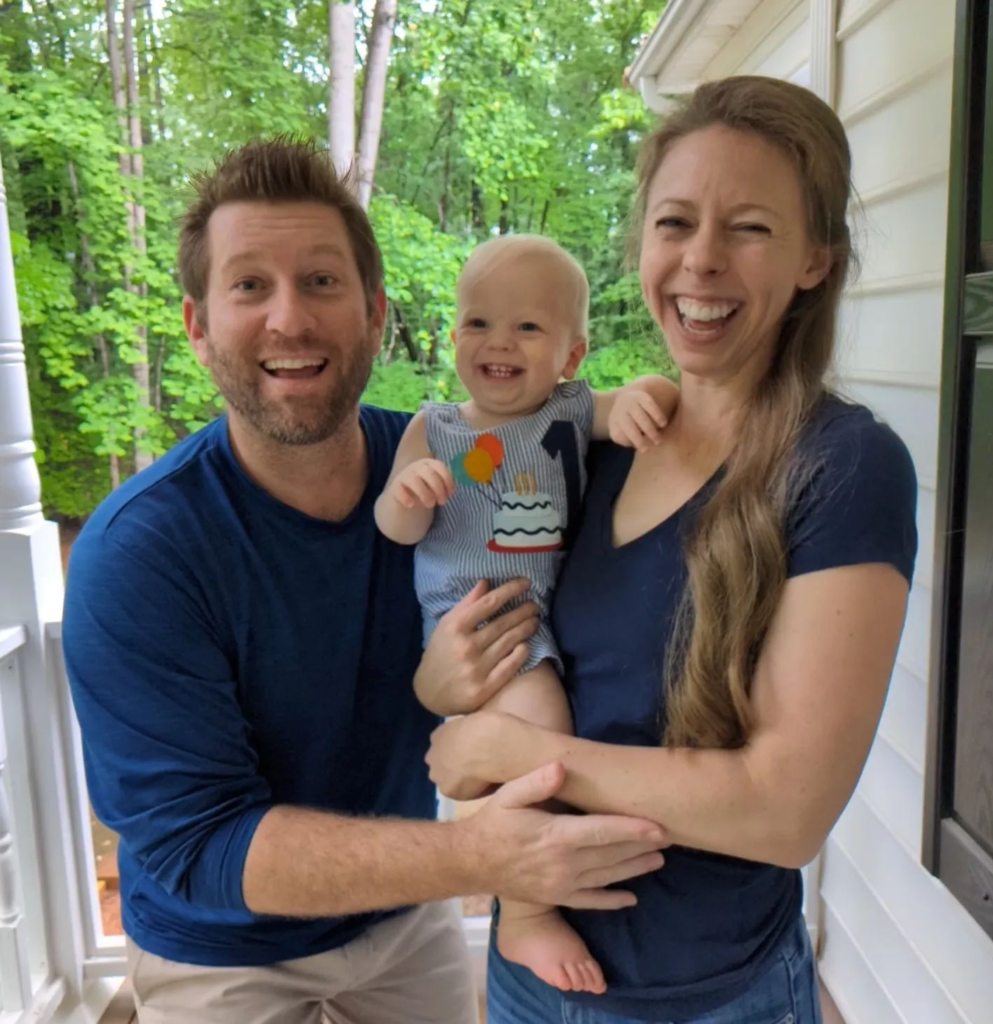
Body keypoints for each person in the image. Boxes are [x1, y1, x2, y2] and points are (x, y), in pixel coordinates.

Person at [61, 138, 670, 1024]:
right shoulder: (142, 551)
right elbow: (199, 843)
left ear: (375, 313)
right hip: (219, 950)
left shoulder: (457, 465)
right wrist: (489, 862)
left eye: (320, 282)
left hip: (400, 915)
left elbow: (597, 476)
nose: (288, 320)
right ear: (196, 327)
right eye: (248, 286)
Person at [422, 76, 919, 1024]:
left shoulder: (842, 467)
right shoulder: (591, 449)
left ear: (816, 259)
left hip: (708, 997)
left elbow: (785, 809)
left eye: (750, 229)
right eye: (675, 222)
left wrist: (519, 750)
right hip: (529, 974)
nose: (700, 262)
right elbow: (491, 632)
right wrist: (449, 686)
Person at [375, 233, 678, 996]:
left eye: (526, 328)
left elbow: (632, 405)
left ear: (570, 357)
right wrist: (407, 494)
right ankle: (526, 913)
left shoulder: (569, 414)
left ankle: (519, 886)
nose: (498, 342)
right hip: (471, 620)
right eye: (478, 324)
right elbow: (391, 526)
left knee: (518, 755)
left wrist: (652, 395)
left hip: (538, 610)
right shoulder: (436, 428)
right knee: (537, 729)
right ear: (452, 339)